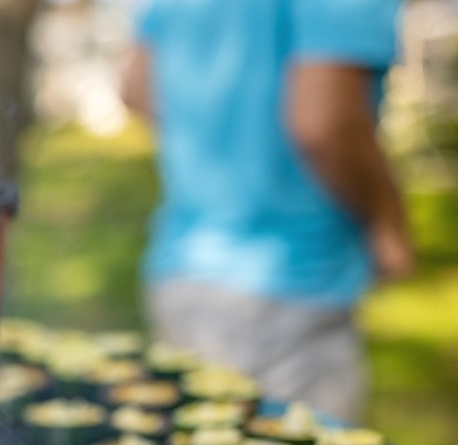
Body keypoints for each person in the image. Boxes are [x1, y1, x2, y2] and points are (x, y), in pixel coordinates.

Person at [121, 0, 414, 422]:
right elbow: (323, 124)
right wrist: (388, 219)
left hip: (182, 265)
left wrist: (223, 137)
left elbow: (136, 87)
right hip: (293, 278)